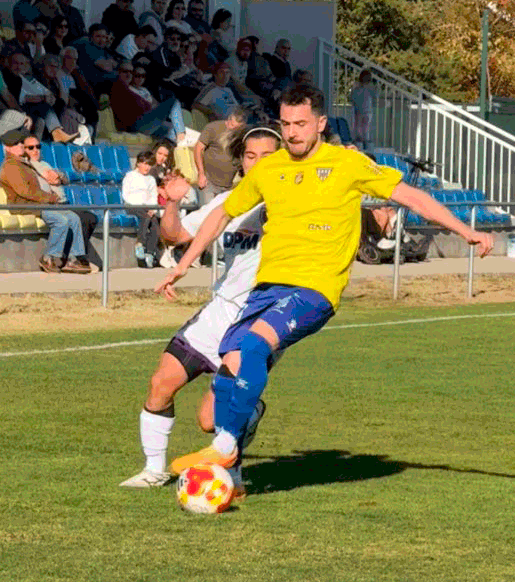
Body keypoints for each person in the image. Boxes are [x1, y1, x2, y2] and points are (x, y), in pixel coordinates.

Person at [155, 84, 494, 476]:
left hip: (315, 289)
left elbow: (410, 196)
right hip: (266, 289)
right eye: (285, 124)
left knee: (251, 346)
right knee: (231, 367)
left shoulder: (347, 164)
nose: (292, 132)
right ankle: (231, 469)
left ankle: (225, 446)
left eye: (300, 123)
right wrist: (184, 264)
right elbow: (221, 215)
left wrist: (464, 230)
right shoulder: (270, 169)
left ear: (319, 123)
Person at [119, 125, 281, 492]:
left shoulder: (293, 204)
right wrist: (173, 201)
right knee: (160, 383)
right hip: (218, 311)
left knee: (211, 420)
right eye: (251, 156)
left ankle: (234, 466)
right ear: (241, 160)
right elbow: (174, 237)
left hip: (260, 318)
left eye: (268, 157)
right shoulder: (229, 201)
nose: (258, 164)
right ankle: (154, 469)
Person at [0, 129, 92, 274]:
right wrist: (49, 198)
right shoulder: (11, 166)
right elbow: (24, 191)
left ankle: (73, 259)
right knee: (61, 221)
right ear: (7, 148)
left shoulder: (21, 163)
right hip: (24, 206)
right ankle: (48, 258)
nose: (21, 146)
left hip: (35, 204)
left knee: (73, 218)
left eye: (21, 143)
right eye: (16, 144)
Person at [22, 134, 101, 269]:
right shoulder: (28, 167)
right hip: (53, 204)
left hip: (64, 202)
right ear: (24, 150)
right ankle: (73, 258)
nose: (35, 150)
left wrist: (59, 176)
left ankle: (73, 256)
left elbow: (65, 179)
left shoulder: (44, 163)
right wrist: (48, 178)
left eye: (38, 146)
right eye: (31, 147)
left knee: (91, 217)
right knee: (81, 218)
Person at [110, 62, 186, 143]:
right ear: (118, 72)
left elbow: (152, 105)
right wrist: (149, 105)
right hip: (135, 126)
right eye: (125, 71)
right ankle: (180, 132)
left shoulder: (137, 90)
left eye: (131, 72)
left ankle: (175, 147)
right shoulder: (118, 86)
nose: (128, 74)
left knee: (170, 128)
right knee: (173, 101)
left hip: (144, 122)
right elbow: (143, 105)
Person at [193, 105, 246, 204]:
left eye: (234, 127)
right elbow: (198, 149)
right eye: (230, 123)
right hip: (208, 183)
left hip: (227, 186)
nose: (230, 127)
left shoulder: (241, 135)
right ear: (229, 118)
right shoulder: (213, 127)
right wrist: (201, 173)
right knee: (206, 214)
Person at [122, 150, 162, 268]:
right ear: (138, 163)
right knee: (145, 217)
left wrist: (152, 209)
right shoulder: (130, 176)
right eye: (144, 163)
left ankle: (150, 253)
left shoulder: (151, 179)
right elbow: (126, 194)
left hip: (146, 207)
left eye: (149, 164)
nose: (146, 167)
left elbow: (153, 196)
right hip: (132, 205)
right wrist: (141, 206)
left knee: (155, 225)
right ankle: (140, 243)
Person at [350, 69, 376, 150]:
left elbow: (352, 97)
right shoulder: (369, 87)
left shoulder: (357, 87)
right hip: (365, 110)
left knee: (360, 127)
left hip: (360, 110)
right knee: (364, 127)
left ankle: (361, 142)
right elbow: (375, 97)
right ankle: (364, 142)